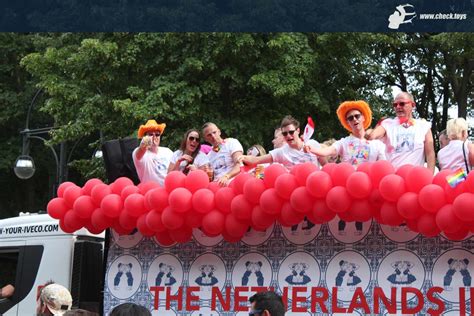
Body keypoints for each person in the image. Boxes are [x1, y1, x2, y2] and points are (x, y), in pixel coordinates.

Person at [366, 92, 436, 173]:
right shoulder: (388, 123)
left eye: (402, 104)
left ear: (412, 105)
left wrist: (430, 176)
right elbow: (375, 134)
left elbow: (430, 153)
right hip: (394, 180)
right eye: (395, 105)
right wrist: (370, 133)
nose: (398, 107)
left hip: (415, 178)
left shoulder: (424, 125)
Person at [304, 100, 386, 166]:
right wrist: (311, 148)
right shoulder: (343, 142)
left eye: (357, 116)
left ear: (363, 117)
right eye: (350, 118)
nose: (354, 119)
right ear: (347, 123)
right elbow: (326, 151)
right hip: (350, 184)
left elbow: (383, 167)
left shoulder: (377, 144)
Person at [239, 115, 324, 170]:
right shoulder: (281, 152)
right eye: (284, 133)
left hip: (315, 188)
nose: (288, 135)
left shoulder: (313, 144)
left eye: (291, 132)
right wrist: (241, 157)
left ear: (298, 130)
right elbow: (256, 160)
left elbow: (326, 165)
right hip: (296, 193)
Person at [133, 119, 173, 186]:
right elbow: (140, 152)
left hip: (168, 191)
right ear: (145, 137)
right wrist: (145, 144)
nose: (154, 137)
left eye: (157, 134)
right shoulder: (140, 152)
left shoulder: (167, 151)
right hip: (150, 193)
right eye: (151, 134)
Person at [202, 122, 244, 186]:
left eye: (214, 132)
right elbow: (210, 178)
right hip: (216, 188)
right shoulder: (208, 157)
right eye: (209, 135)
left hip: (233, 184)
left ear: (219, 132)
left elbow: (240, 164)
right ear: (205, 139)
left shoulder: (231, 142)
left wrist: (226, 176)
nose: (213, 136)